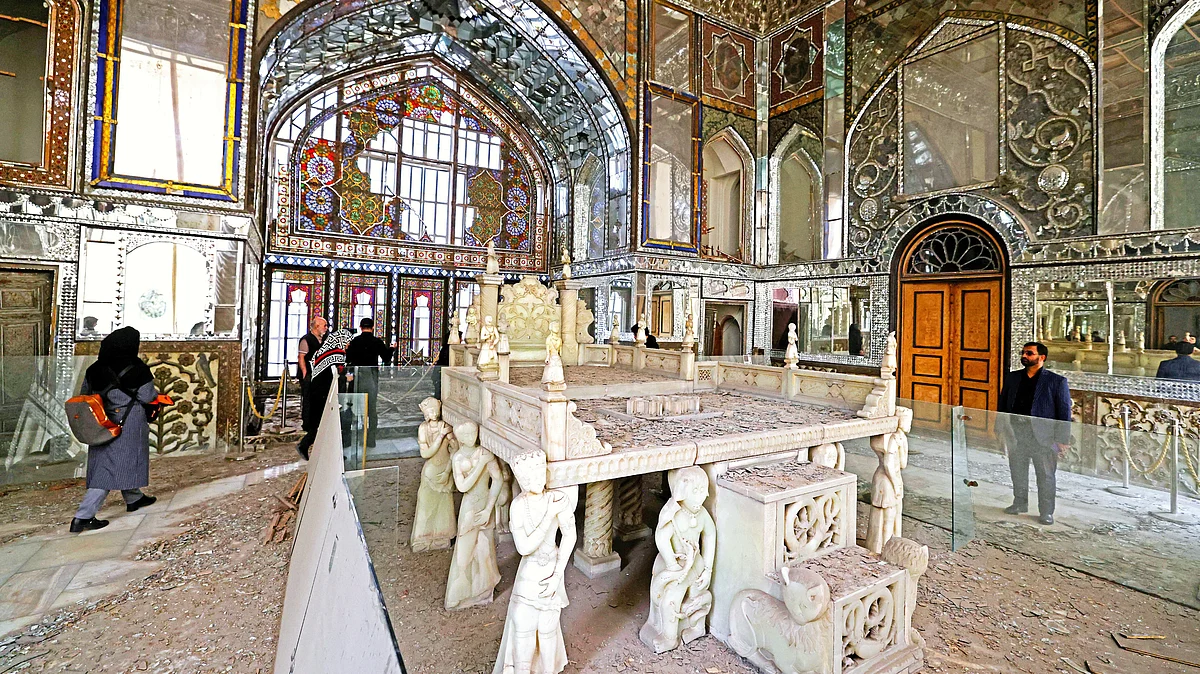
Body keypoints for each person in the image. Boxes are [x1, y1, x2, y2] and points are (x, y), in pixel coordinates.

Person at [70, 327, 159, 533]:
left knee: (114, 461)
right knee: (110, 469)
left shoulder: (94, 369)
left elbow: (86, 395)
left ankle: (134, 498)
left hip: (100, 422)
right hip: (128, 422)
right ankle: (83, 517)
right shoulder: (137, 368)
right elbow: (147, 397)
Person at [997, 342, 1072, 525]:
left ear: (1042, 357)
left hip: (1043, 437)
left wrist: (1062, 440)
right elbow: (1002, 406)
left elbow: (1064, 412)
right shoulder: (1012, 378)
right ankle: (1019, 503)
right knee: (1018, 471)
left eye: (1029, 353)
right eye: (1023, 352)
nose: (1024, 356)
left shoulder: (1056, 382)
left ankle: (1046, 512)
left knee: (1045, 476)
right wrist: (1000, 431)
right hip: (1017, 433)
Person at [345, 317, 396, 447]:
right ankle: (370, 440)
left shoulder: (354, 341)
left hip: (356, 378)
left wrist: (349, 375)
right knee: (371, 409)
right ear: (373, 327)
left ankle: (348, 440)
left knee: (351, 407)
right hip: (371, 379)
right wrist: (392, 348)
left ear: (361, 328)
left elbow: (348, 360)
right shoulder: (376, 342)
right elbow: (386, 358)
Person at [296, 316, 328, 459]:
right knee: (310, 401)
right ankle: (308, 424)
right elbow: (301, 357)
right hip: (310, 375)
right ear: (316, 327)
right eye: (324, 325)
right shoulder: (306, 339)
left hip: (321, 377)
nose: (326, 328)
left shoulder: (324, 339)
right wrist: (305, 373)